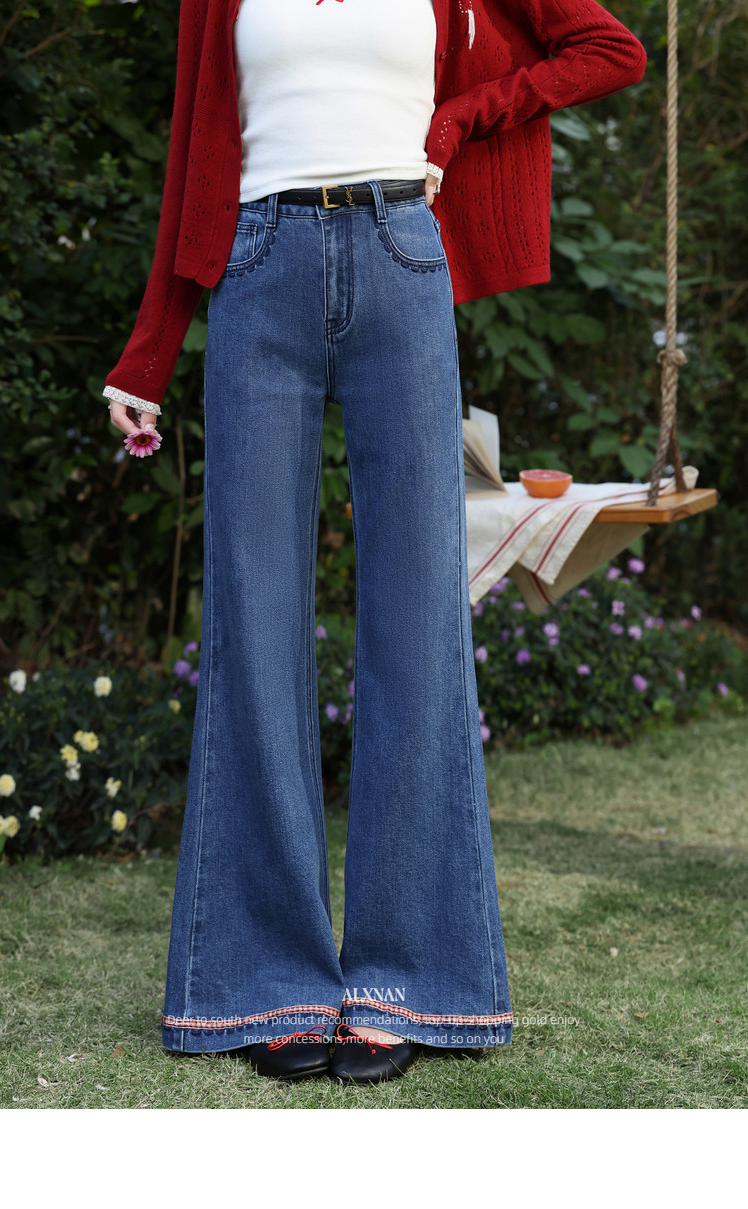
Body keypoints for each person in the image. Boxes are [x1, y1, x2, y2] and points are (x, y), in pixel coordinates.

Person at [104, 0, 647, 1085]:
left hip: (404, 256)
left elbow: (610, 49)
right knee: (254, 627)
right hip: (256, 265)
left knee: (418, 624)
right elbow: (193, 156)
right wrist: (149, 351)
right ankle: (266, 982)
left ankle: (409, 981)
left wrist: (458, 121)